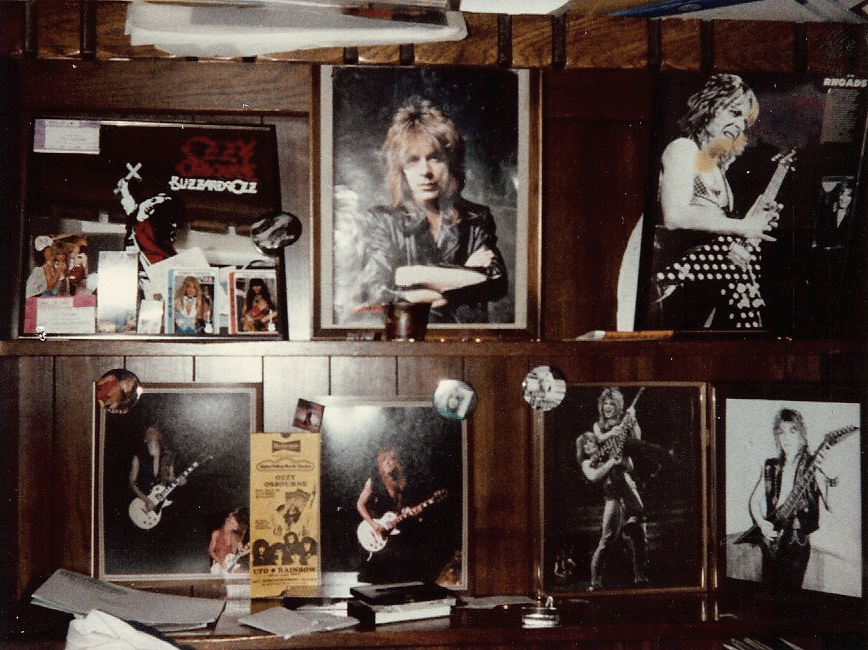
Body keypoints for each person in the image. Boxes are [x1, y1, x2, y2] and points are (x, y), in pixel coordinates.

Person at [647, 73, 782, 330]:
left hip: (702, 286)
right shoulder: (683, 148)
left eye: (744, 120)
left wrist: (756, 224)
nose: (740, 125)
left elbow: (714, 227)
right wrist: (743, 227)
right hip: (673, 281)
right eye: (734, 113)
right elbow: (675, 216)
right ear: (710, 107)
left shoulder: (716, 169)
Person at [357, 97, 508, 324]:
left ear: (451, 164)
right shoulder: (382, 220)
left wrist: (413, 275)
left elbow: (497, 283)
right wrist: (466, 275)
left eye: (435, 158)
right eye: (413, 160)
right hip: (406, 337)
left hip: (464, 339)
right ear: (401, 169)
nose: (425, 171)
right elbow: (378, 296)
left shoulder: (476, 218)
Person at [746, 408, 834, 589]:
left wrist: (829, 474)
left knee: (790, 595)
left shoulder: (812, 465)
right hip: (771, 540)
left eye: (792, 432)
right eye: (781, 432)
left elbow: (829, 504)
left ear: (801, 435)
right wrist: (762, 524)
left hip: (796, 544)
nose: (785, 438)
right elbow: (754, 501)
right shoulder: (771, 466)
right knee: (768, 592)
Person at [576, 387, 648, 590]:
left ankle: (640, 576)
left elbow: (637, 440)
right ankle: (595, 581)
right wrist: (612, 434)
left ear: (618, 406)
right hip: (613, 486)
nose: (607, 407)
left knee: (641, 535)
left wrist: (633, 421)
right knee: (607, 538)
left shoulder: (625, 422)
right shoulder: (597, 427)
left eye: (612, 404)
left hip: (627, 478)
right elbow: (598, 439)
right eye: (605, 403)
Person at [356, 446, 426, 583]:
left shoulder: (402, 482)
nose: (388, 463)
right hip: (377, 529)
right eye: (384, 460)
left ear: (397, 462)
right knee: (378, 575)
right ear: (380, 463)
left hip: (394, 529)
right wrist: (373, 524)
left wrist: (409, 511)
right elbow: (360, 504)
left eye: (392, 459)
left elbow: (400, 509)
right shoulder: (373, 481)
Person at [115, 173, 181, 265]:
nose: (151, 206)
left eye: (155, 207)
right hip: (133, 265)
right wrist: (125, 184)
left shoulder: (153, 229)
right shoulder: (134, 218)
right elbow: (127, 200)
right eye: (153, 200)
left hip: (154, 265)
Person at [128, 425, 183, 515]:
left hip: (160, 504)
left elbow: (171, 478)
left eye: (154, 430)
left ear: (159, 435)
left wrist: (179, 481)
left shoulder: (167, 457)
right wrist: (146, 500)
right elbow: (131, 482)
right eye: (149, 431)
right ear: (145, 438)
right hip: (141, 504)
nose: (152, 433)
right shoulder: (138, 457)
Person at [209, 508, 249, 574]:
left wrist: (249, 550)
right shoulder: (216, 533)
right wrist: (220, 562)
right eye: (235, 522)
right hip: (218, 565)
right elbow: (211, 551)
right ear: (229, 521)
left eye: (237, 523)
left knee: (241, 572)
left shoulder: (236, 536)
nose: (237, 524)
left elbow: (241, 551)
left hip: (231, 565)